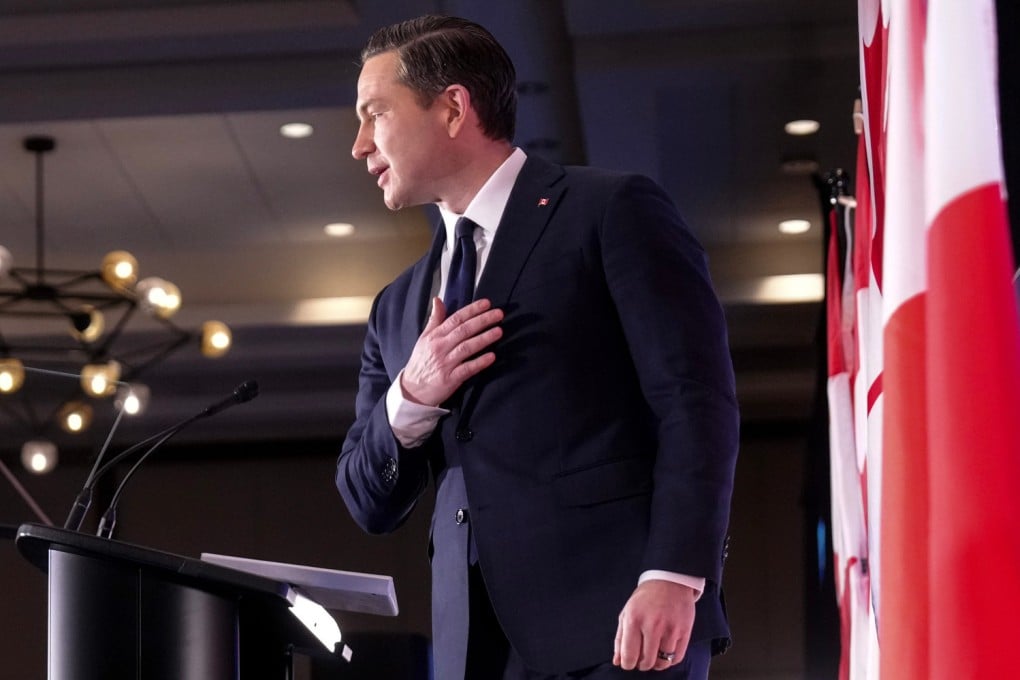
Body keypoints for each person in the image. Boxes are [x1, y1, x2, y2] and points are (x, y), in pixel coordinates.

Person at [336, 14, 739, 680]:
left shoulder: (609, 211)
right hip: (474, 650)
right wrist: (411, 398)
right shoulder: (396, 306)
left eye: (374, 114)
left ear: (453, 108)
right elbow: (364, 497)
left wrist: (675, 573)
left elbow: (695, 404)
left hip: (619, 626)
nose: (358, 145)